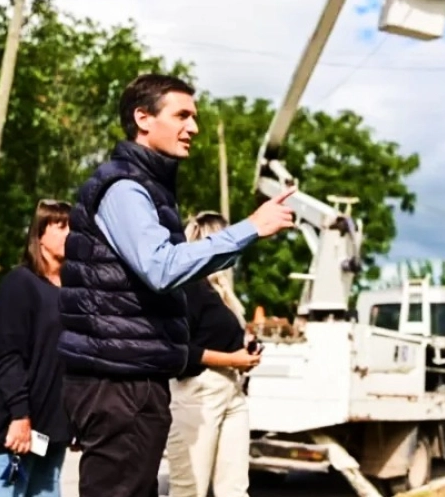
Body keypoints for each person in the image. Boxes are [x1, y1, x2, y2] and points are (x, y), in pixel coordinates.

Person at [57, 74, 296, 497]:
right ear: (142, 118)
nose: (194, 128)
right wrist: (249, 228)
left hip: (134, 376)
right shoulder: (124, 187)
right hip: (118, 382)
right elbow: (161, 267)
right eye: (182, 115)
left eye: (195, 116)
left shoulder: (147, 186)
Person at [0, 199, 73, 497]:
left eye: (74, 226)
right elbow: (7, 355)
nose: (70, 233)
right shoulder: (20, 283)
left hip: (49, 435)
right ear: (39, 234)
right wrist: (20, 415)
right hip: (7, 431)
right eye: (61, 226)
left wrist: (74, 421)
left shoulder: (73, 292)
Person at [165, 211, 261, 497]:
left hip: (231, 388)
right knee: (189, 489)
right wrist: (234, 359)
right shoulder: (188, 288)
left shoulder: (220, 291)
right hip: (199, 392)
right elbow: (181, 351)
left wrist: (245, 350)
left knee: (234, 489)